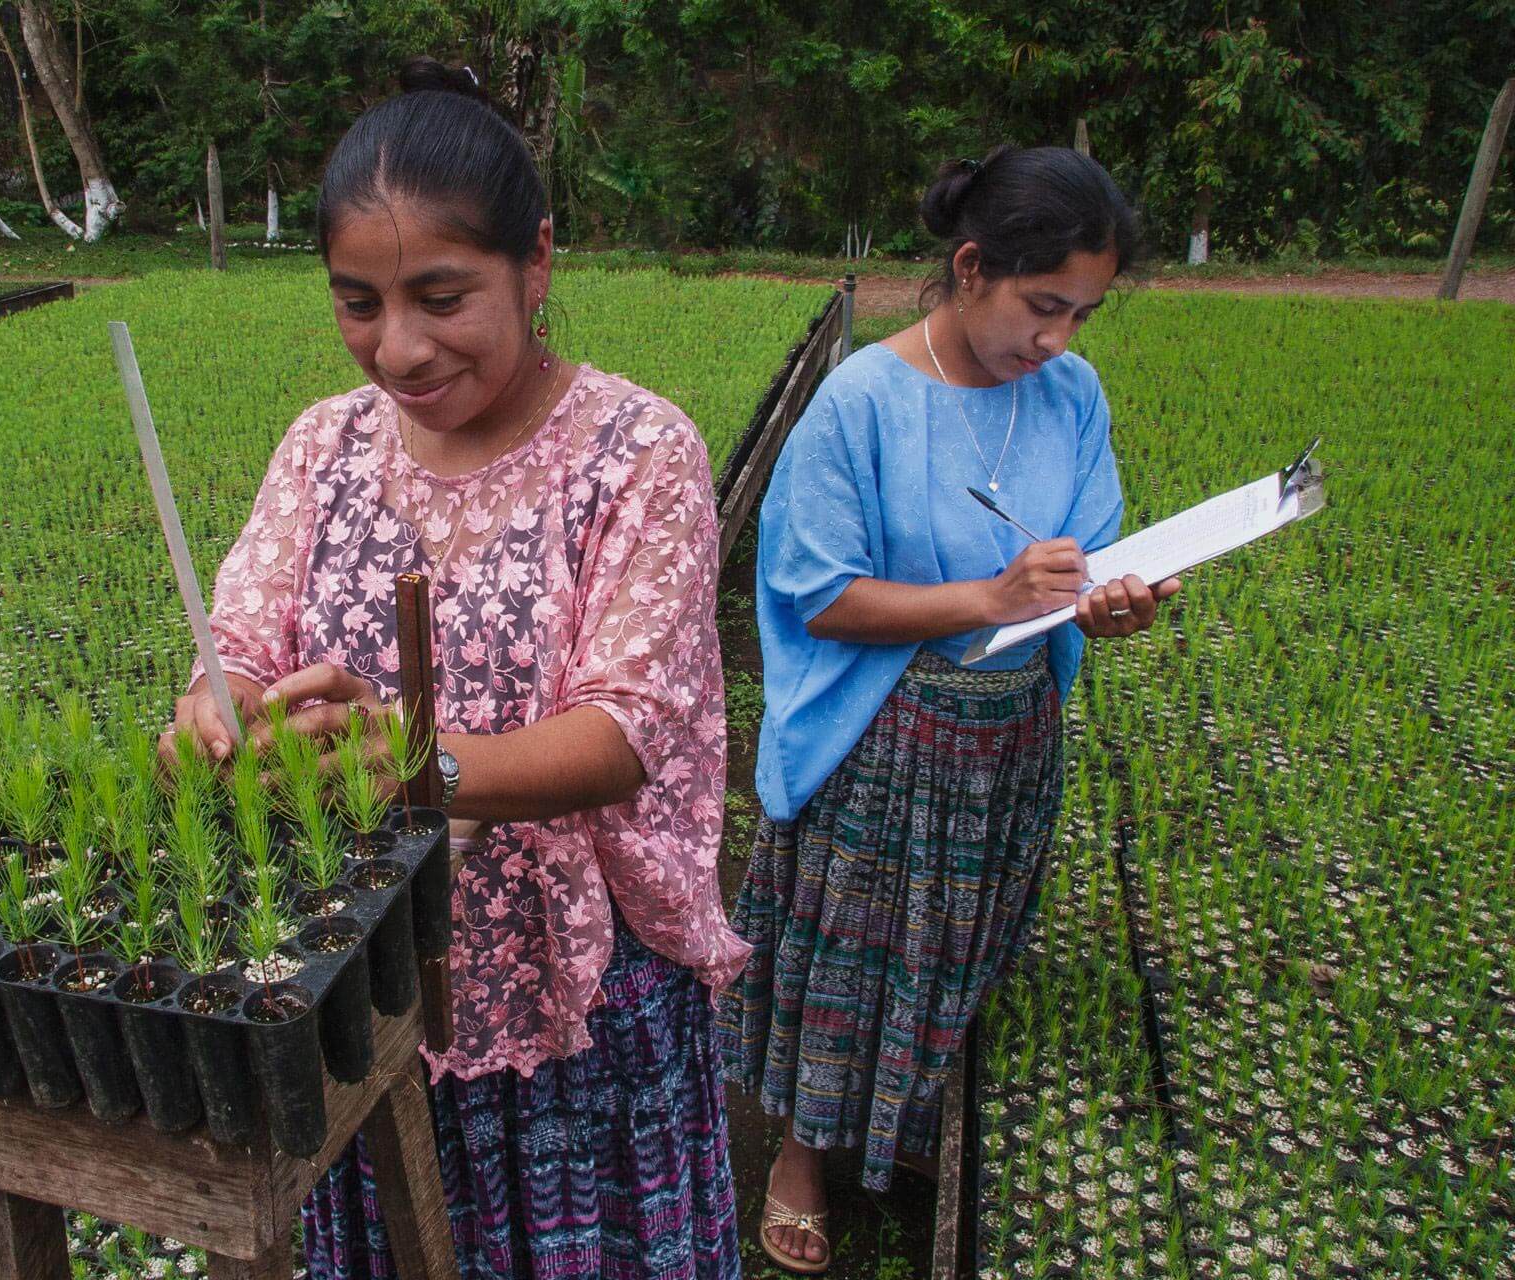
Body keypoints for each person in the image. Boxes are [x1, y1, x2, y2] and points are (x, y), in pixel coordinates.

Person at [160, 58, 749, 1280]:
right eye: (358, 302)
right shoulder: (324, 446)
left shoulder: (638, 453)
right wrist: (217, 711)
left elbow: (627, 727)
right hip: (360, 967)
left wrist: (423, 761)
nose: (401, 347)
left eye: (442, 294)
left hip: (566, 987)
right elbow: (244, 639)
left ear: (536, 261)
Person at [714, 145, 1177, 1274]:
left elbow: (1092, 549)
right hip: (891, 741)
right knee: (851, 957)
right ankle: (801, 1156)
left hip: (1012, 732)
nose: (1059, 338)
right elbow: (815, 595)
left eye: (1084, 312)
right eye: (1043, 304)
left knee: (956, 945)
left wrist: (1108, 600)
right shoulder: (863, 402)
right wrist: (987, 594)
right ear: (970, 267)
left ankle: (906, 1114)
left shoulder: (1071, 393)